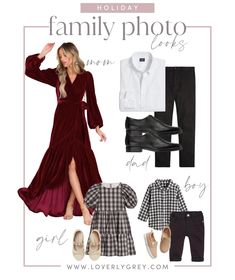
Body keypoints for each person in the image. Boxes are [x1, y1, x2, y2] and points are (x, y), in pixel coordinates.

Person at [18, 42, 106, 225]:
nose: (62, 59)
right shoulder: (58, 75)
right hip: (62, 124)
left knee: (77, 164)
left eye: (65, 56)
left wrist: (97, 126)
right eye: (60, 57)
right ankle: (82, 207)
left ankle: (70, 203)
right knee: (70, 164)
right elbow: (30, 71)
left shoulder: (87, 76)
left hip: (79, 123)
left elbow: (93, 101)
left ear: (73, 55)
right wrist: (42, 54)